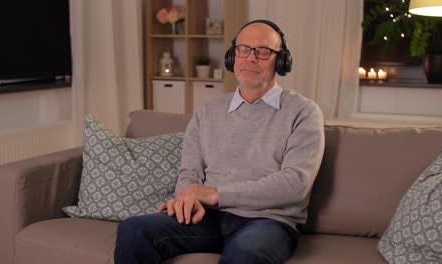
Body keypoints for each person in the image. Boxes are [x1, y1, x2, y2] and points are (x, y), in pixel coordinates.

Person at [114, 19, 325, 264]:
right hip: (209, 217)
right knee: (134, 229)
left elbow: (295, 184)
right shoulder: (207, 111)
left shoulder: (304, 112)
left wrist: (217, 194)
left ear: (281, 61)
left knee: (246, 255)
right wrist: (187, 199)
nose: (250, 58)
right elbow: (189, 173)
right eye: (243, 49)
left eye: (263, 51)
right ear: (231, 57)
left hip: (269, 221)